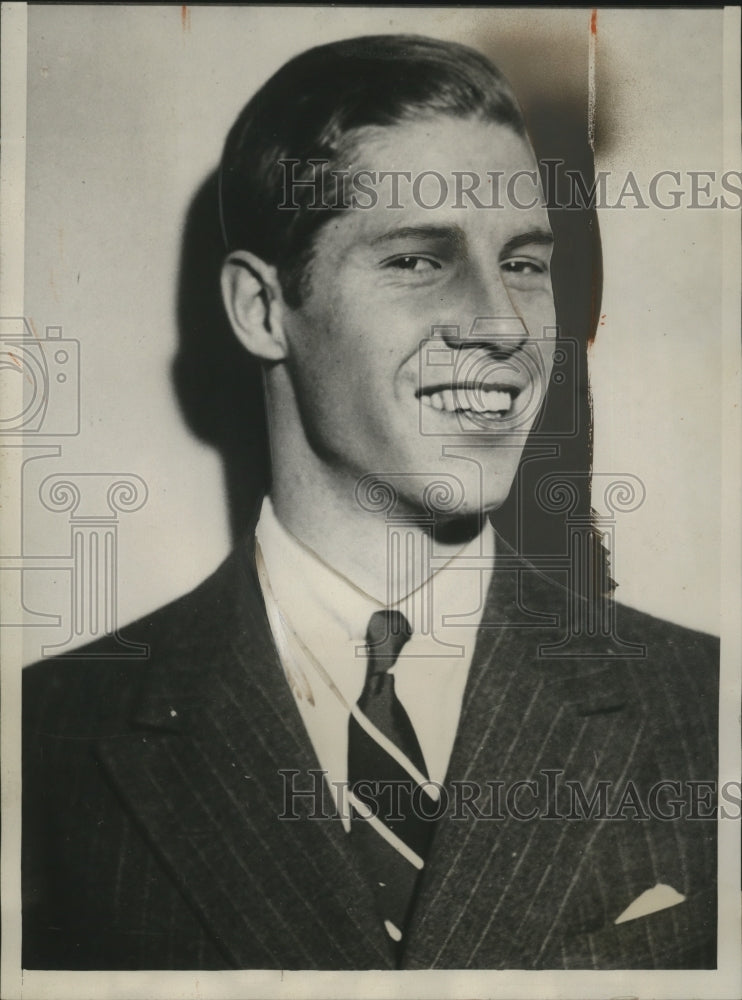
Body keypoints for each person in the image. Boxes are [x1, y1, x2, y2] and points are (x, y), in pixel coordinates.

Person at [22, 34, 718, 971]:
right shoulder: (45, 741)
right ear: (262, 310)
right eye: (418, 261)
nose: (504, 326)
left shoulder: (706, 708)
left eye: (522, 263)